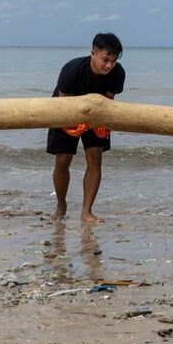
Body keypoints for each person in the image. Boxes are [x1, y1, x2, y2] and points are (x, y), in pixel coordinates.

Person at [48, 33, 126, 225]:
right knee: (63, 159)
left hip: (97, 111)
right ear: (93, 53)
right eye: (105, 60)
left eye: (113, 61)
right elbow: (63, 102)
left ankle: (86, 211)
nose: (109, 65)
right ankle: (61, 205)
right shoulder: (72, 70)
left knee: (95, 157)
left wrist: (104, 126)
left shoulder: (118, 73)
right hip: (65, 108)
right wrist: (70, 126)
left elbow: (108, 102)